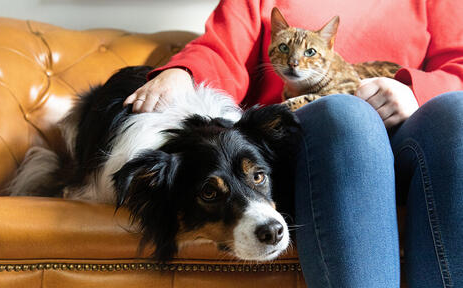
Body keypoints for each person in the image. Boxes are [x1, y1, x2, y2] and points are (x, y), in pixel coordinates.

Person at [124, 1, 463, 287]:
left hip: (411, 138)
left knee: (455, 111)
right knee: (346, 115)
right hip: (319, 139)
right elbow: (222, 49)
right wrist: (183, 71)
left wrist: (413, 90)